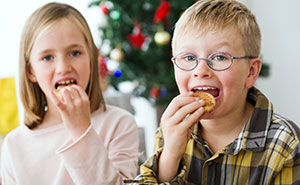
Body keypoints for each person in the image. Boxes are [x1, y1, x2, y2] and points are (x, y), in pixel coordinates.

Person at [125, 0, 300, 184]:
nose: (200, 70)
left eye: (219, 57)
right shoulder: (172, 130)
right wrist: (170, 155)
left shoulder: (286, 144)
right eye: (189, 57)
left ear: (251, 72)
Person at [1, 2, 139, 185]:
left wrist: (81, 131)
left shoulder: (119, 124)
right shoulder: (14, 145)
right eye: (47, 57)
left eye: (74, 53)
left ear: (92, 57)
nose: (63, 68)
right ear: (30, 71)